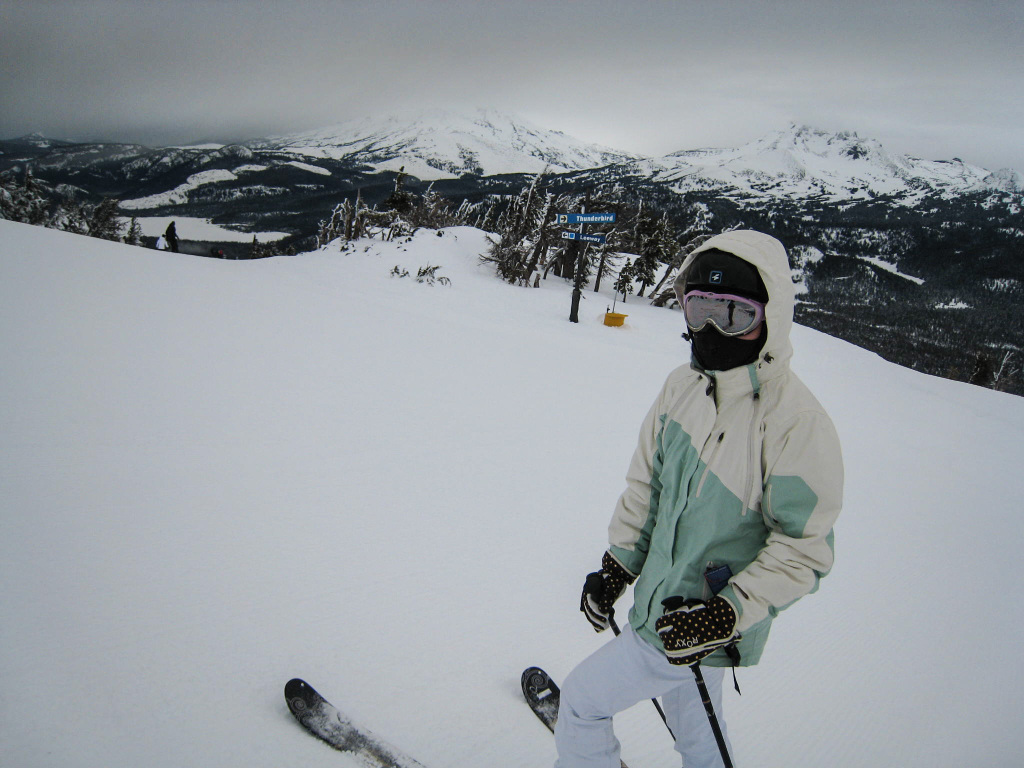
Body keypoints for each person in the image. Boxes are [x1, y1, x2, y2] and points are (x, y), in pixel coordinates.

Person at [556, 230, 844, 768]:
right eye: (700, 308)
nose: (711, 329)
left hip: (697, 618)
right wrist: (618, 566)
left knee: (582, 702)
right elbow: (647, 485)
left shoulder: (795, 423)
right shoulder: (680, 388)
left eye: (734, 315)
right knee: (697, 728)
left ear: (769, 319)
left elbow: (804, 549)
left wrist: (723, 615)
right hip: (674, 618)